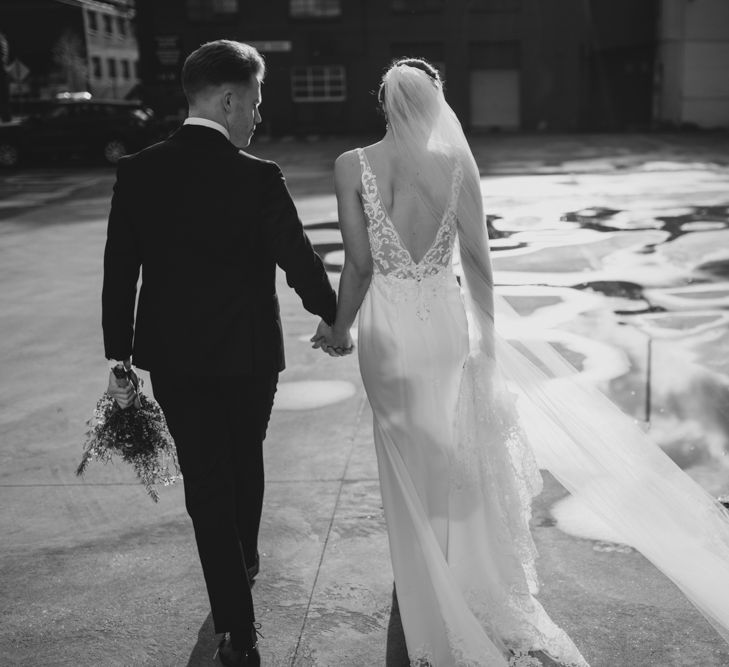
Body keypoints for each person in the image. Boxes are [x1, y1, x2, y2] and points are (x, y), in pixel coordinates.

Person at [313, 58, 729, 666]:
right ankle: (444, 566)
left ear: (384, 103)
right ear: (436, 107)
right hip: (446, 325)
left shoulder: (351, 165)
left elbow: (360, 264)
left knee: (402, 450)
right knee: (446, 448)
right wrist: (486, 338)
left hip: (389, 332)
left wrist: (338, 327)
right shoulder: (456, 166)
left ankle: (420, 575)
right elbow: (479, 264)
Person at [103, 40, 337, 666]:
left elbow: (120, 270)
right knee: (245, 459)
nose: (258, 116)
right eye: (256, 102)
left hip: (174, 359)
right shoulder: (258, 176)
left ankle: (236, 615)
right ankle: (246, 570)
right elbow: (299, 260)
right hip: (250, 356)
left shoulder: (138, 171)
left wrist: (118, 355)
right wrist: (337, 316)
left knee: (207, 481)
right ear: (230, 99)